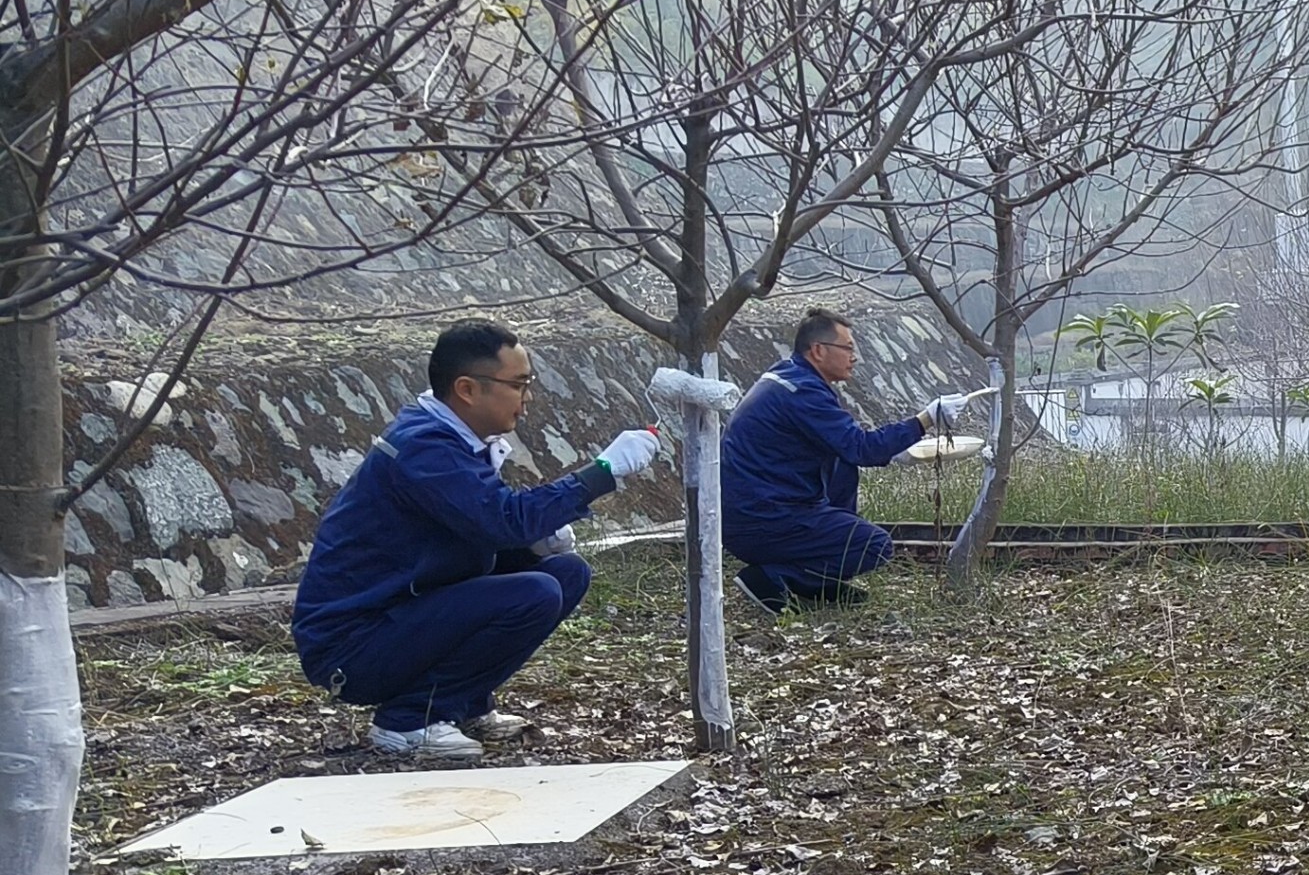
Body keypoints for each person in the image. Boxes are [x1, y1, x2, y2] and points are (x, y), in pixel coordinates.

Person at [292, 320, 660, 759]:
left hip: (396, 617)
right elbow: (503, 521)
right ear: (467, 389)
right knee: (535, 592)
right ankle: (409, 721)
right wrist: (600, 473)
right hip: (352, 648)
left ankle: (464, 705)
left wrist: (533, 541)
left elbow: (479, 527)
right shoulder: (424, 448)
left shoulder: (449, 437)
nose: (527, 398)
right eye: (518, 385)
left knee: (566, 572)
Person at [720, 307, 969, 614]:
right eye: (848, 348)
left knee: (842, 464)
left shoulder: (792, 378)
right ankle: (772, 577)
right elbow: (862, 448)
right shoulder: (803, 392)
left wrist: (896, 450)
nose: (855, 357)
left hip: (754, 511)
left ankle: (819, 581)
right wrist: (925, 420)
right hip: (760, 521)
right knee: (874, 545)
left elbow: (847, 445)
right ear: (818, 350)